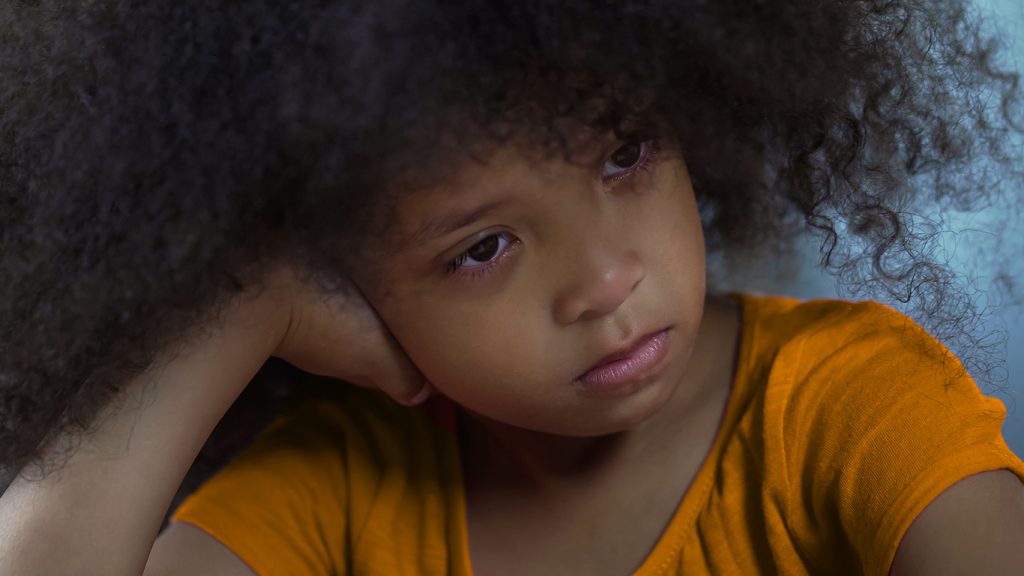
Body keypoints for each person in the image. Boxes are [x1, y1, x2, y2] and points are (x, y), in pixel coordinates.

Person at [1, 0, 1023, 574]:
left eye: (624, 154)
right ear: (344, 277)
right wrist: (241, 303)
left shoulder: (847, 405)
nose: (605, 279)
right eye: (482, 247)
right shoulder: (334, 489)